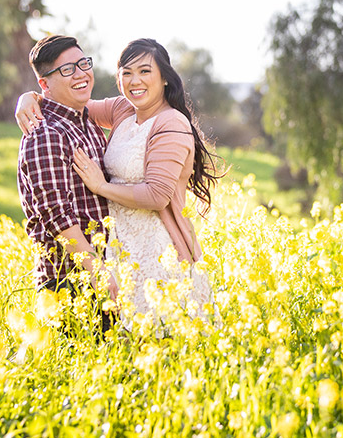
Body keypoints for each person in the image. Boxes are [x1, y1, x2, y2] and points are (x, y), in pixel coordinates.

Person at [16, 38, 220, 327]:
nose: (134, 80)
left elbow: (158, 195)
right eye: (126, 72)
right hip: (90, 268)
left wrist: (101, 187)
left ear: (164, 77)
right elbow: (56, 214)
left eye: (145, 71)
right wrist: (28, 98)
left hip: (151, 252)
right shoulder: (117, 112)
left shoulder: (168, 122)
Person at [17, 34, 118, 334]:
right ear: (44, 85)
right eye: (67, 69)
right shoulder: (46, 133)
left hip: (99, 278)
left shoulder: (86, 122)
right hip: (70, 283)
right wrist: (98, 274)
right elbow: (57, 218)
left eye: (83, 63)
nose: (81, 74)